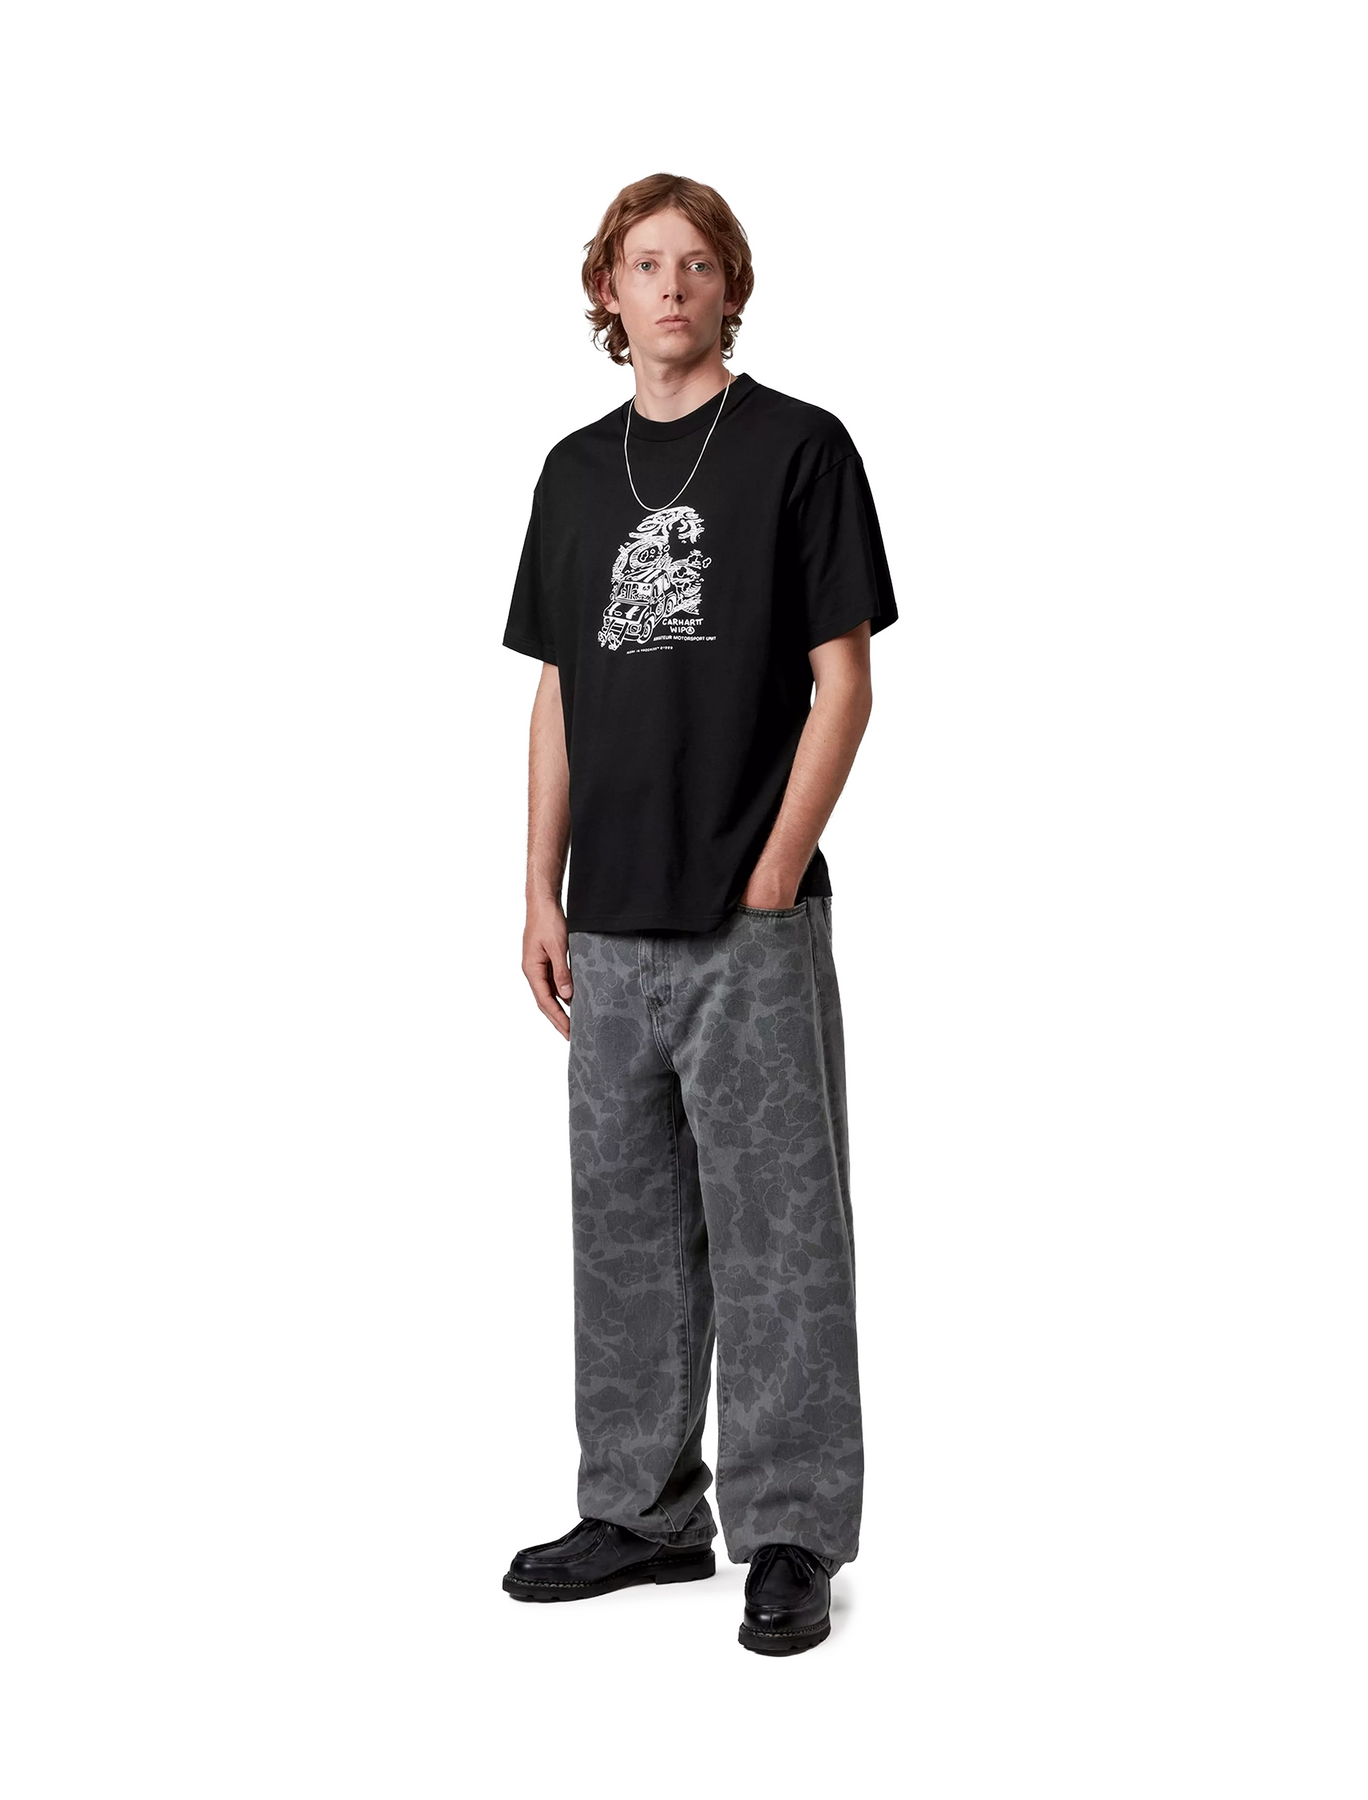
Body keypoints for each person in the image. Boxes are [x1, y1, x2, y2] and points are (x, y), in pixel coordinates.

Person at [499, 173, 899, 1656]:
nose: (670, 286)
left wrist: (776, 869)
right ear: (606, 290)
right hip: (606, 922)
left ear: (731, 285)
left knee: (781, 1236)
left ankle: (791, 1531)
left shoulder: (799, 449)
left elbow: (845, 683)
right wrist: (537, 888)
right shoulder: (569, 473)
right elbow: (558, 690)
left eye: (697, 263)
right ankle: (642, 1511)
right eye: (643, 263)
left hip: (748, 916)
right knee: (626, 1235)